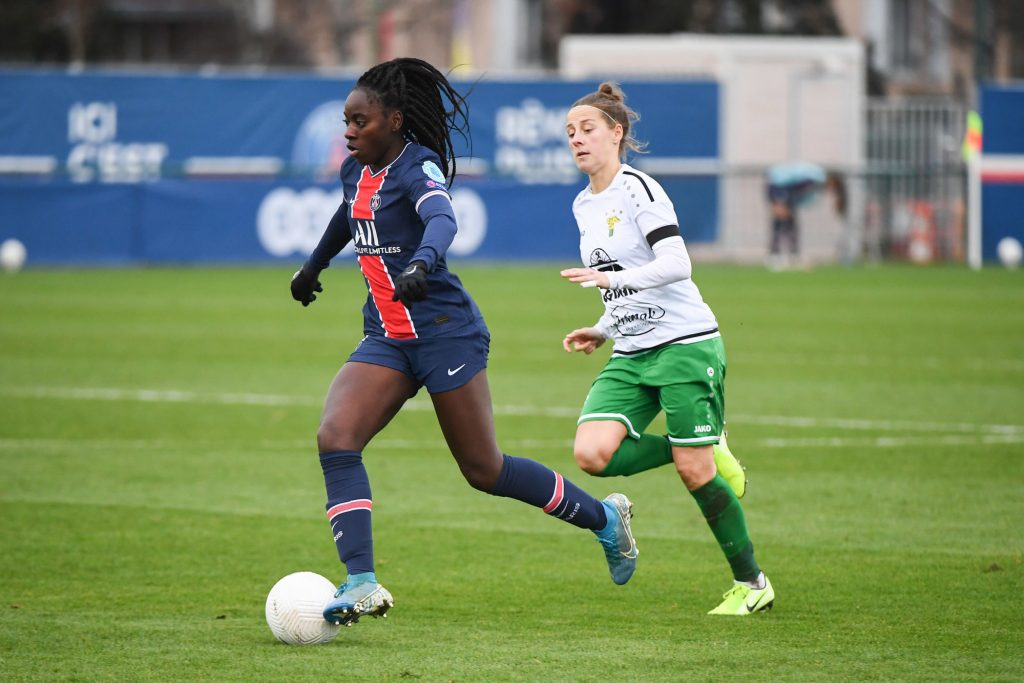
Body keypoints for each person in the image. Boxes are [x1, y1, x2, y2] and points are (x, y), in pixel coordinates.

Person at [289, 58, 638, 627]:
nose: (349, 132)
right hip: (387, 336)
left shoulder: (417, 167)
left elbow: (441, 220)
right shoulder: (356, 171)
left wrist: (424, 261)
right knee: (336, 437)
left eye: (361, 121)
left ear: (395, 121)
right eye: (346, 121)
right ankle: (361, 580)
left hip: (448, 335)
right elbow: (344, 216)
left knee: (484, 470)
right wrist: (313, 266)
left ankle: (604, 519)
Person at [558, 82, 773, 615]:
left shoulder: (639, 190)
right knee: (592, 454)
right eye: (569, 133)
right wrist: (603, 328)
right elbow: (617, 278)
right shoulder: (584, 204)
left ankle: (752, 584)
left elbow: (677, 264)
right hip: (631, 349)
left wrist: (614, 286)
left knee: (695, 473)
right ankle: (701, 444)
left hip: (684, 345)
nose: (577, 140)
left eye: (587, 129)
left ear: (617, 132)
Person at [765, 161, 847, 270]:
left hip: (782, 191)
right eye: (832, 186)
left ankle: (792, 256)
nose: (830, 189)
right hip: (777, 187)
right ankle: (775, 256)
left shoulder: (816, 180)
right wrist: (779, 201)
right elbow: (789, 186)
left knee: (790, 224)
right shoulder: (814, 179)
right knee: (780, 222)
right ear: (831, 180)